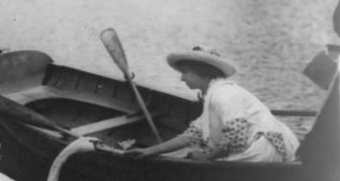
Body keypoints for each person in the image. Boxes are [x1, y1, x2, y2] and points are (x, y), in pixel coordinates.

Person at [125, 46, 300, 162]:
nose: (182, 78)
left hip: (265, 152)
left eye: (186, 72)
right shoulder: (214, 94)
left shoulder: (224, 94)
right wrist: (150, 151)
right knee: (193, 153)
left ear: (204, 73)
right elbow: (192, 136)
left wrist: (207, 157)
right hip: (264, 150)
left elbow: (236, 137)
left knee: (197, 157)